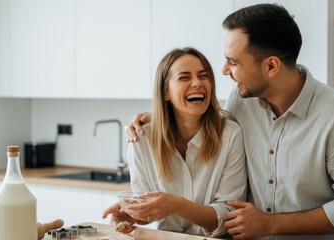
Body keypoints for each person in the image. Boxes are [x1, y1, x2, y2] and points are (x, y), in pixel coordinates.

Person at [126, 3, 334, 240]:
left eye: (234, 62)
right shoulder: (241, 100)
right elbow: (208, 117)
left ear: (271, 66)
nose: (225, 70)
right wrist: (160, 115)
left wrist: (270, 224)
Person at [102, 47, 247, 238]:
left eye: (203, 76)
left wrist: (177, 205)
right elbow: (146, 205)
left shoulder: (230, 135)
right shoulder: (141, 138)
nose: (197, 83)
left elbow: (229, 215)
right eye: (184, 77)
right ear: (165, 92)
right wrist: (132, 215)